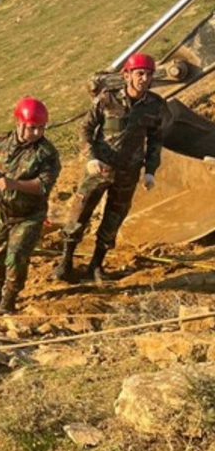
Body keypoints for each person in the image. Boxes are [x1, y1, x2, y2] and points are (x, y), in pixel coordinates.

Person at [54, 53, 165, 283]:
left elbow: (155, 140)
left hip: (128, 173)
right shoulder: (108, 99)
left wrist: (150, 170)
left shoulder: (155, 106)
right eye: (139, 73)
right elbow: (86, 130)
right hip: (99, 169)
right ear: (127, 75)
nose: (144, 79)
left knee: (114, 219)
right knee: (79, 213)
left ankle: (96, 265)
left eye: (148, 74)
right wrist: (91, 157)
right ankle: (65, 261)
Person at [0, 97, 61, 314]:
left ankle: (9, 300)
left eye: (41, 128)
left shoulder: (47, 153)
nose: (37, 133)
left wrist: (14, 184)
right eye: (32, 128)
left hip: (28, 214)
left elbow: (42, 186)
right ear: (19, 124)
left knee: (16, 255)